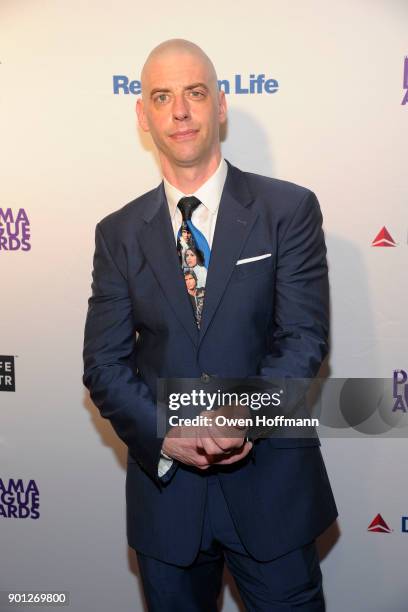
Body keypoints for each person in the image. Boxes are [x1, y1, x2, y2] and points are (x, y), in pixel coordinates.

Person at [83, 38, 337, 611]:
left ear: (220, 105)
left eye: (195, 93)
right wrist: (163, 435)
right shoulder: (117, 234)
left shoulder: (287, 210)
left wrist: (239, 413)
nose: (180, 111)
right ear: (142, 114)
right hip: (167, 502)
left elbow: (302, 339)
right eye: (162, 96)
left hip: (271, 490)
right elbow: (103, 362)